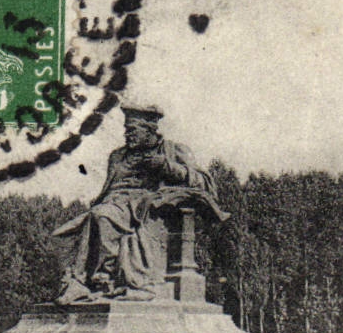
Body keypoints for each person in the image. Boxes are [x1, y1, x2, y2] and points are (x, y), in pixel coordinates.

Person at [53, 104, 223, 303]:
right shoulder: (117, 156)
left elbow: (204, 182)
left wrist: (166, 166)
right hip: (115, 202)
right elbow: (109, 189)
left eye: (132, 130)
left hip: (148, 207)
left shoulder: (172, 150)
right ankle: (83, 282)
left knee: (102, 217)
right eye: (126, 130)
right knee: (87, 220)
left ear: (149, 130)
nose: (127, 135)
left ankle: (100, 278)